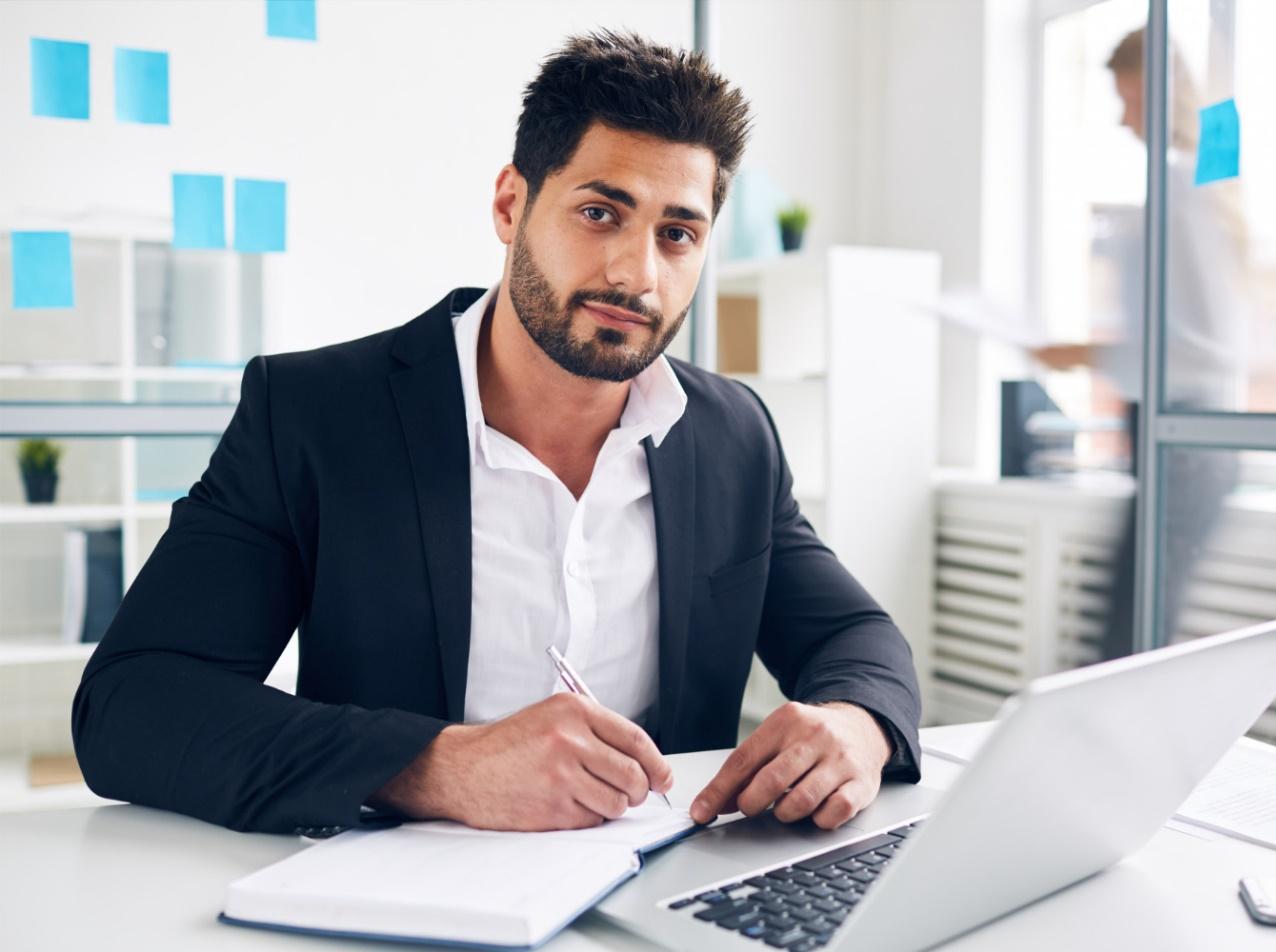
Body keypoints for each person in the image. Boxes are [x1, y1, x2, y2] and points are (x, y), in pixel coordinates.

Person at [71, 30, 921, 837]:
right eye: (599, 213)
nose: (636, 274)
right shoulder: (314, 413)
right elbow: (135, 702)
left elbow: (853, 636)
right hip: (395, 897)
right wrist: (437, 767)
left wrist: (856, 723)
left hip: (660, 895)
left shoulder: (733, 434)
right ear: (511, 205)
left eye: (676, 234)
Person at [1032, 27, 1244, 659]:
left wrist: (1084, 354)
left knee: (1128, 643)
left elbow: (1202, 346)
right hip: (1171, 437)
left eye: (1129, 101)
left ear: (1163, 93)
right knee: (1131, 634)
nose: (1125, 123)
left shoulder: (1186, 191)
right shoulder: (1187, 187)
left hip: (1187, 436)